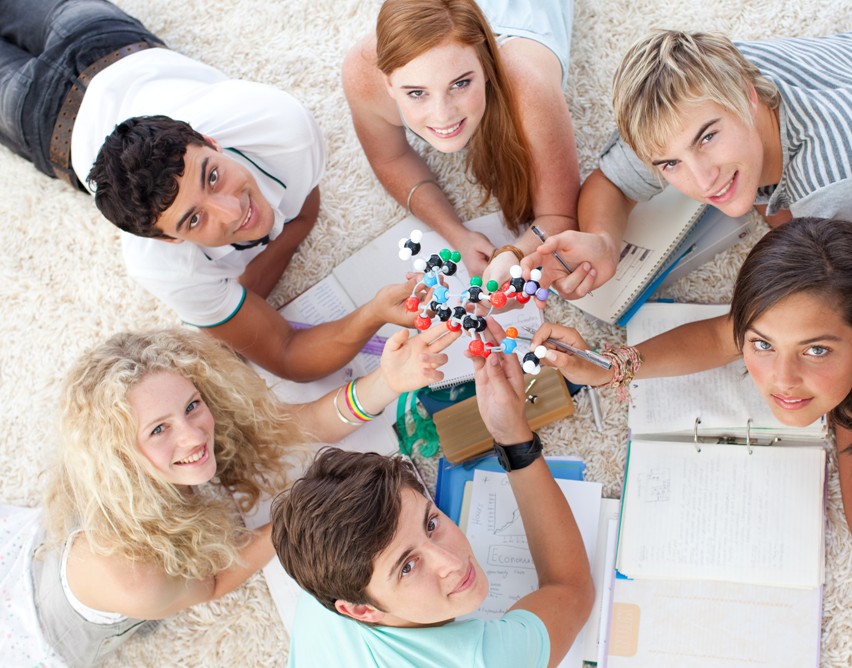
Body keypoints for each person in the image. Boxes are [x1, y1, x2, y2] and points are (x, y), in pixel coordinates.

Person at [532, 217, 852, 562]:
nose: (782, 380)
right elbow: (719, 335)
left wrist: (844, 415)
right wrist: (612, 366)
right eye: (763, 345)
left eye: (815, 351)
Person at [0, 0, 417, 382]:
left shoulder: (282, 126)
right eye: (194, 218)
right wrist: (370, 313)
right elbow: (286, 351)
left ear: (210, 142)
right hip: (48, 121)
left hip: (101, 37)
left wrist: (229, 309)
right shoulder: (162, 265)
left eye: (212, 177)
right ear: (167, 238)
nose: (232, 212)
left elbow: (307, 209)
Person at [3, 323, 459, 666]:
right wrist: (293, 515)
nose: (192, 436)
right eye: (159, 430)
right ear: (118, 454)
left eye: (191, 406)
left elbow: (295, 427)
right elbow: (211, 582)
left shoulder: (182, 431)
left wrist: (388, 381)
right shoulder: (131, 574)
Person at [527, 0, 852, 298]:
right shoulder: (709, 75)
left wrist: (770, 210)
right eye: (671, 164)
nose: (702, 181)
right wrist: (605, 242)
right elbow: (611, 181)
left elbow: (817, 288)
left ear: (747, 94)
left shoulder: (841, 179)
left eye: (707, 138)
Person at [271, 336, 595, 666]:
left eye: (430, 524)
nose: (451, 562)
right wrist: (512, 436)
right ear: (360, 610)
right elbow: (571, 590)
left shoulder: (323, 587)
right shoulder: (485, 660)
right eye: (407, 567)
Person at [342, 0, 580, 285]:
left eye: (460, 84)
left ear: (487, 66)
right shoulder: (363, 72)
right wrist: (457, 234)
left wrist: (516, 254)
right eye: (417, 93)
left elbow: (560, 215)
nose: (443, 116)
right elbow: (390, 159)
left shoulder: (527, 87)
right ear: (389, 83)